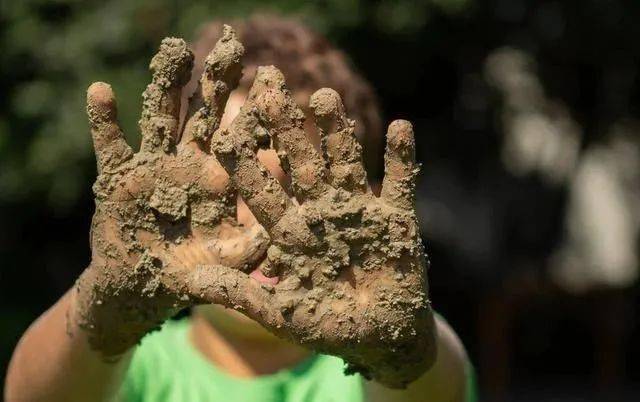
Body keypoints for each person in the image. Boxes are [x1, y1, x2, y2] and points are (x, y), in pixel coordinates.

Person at [5, 15, 476, 402]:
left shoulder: (369, 376)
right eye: (229, 186)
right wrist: (105, 313)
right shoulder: (132, 367)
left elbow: (435, 387)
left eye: (294, 189)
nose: (261, 218)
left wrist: (399, 354)